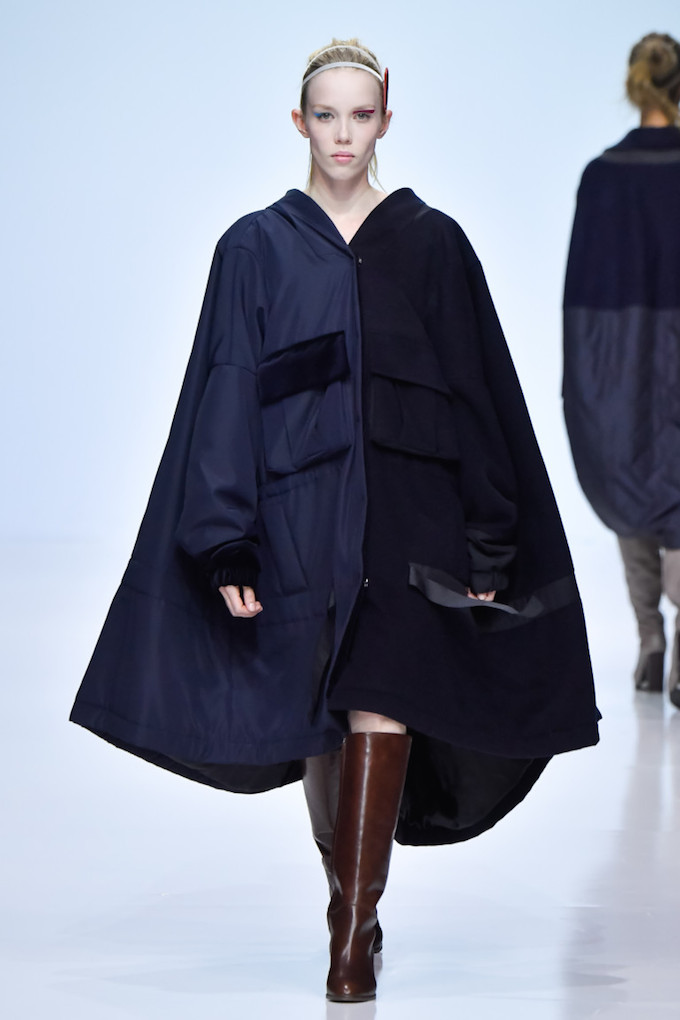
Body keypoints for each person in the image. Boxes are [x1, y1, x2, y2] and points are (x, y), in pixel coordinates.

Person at [71, 39, 600, 1002]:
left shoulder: (433, 244)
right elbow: (225, 394)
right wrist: (226, 538)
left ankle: (349, 944)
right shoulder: (254, 248)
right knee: (325, 717)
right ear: (299, 122)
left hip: (411, 519)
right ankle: (346, 901)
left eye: (361, 115)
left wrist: (490, 537)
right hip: (298, 518)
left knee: (379, 699)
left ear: (386, 119)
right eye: (327, 115)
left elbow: (479, 393)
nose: (344, 134)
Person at [563, 32, 680, 706]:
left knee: (631, 478)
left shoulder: (602, 176)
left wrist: (585, 379)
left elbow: (581, 292)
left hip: (620, 356)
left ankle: (649, 639)